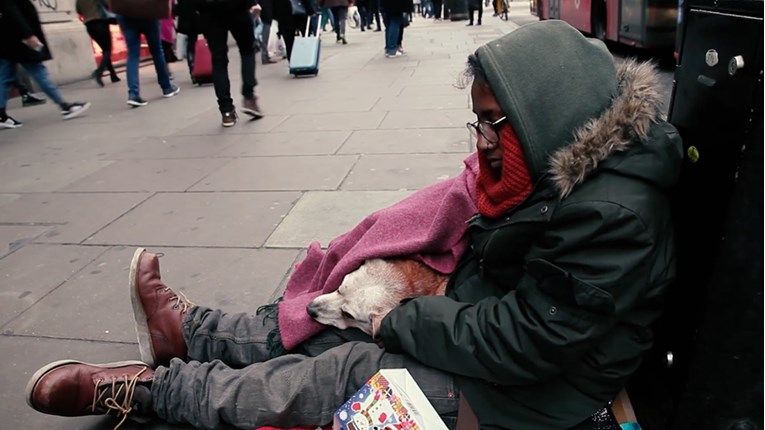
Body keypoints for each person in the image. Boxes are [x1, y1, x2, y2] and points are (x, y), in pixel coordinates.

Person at [25, 21, 683, 429]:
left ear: (544, 111)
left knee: (353, 368)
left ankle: (154, 394)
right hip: (497, 325)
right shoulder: (554, 164)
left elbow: (526, 343)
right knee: (328, 312)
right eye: (476, 121)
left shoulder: (612, 211)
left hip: (542, 391)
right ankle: (192, 333)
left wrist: (393, 320)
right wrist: (403, 290)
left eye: (493, 123)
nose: (480, 141)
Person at [0, 0, 91, 129]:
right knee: (38, 72)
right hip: (19, 41)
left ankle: (1, 114)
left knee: (5, 77)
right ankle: (64, 106)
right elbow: (12, 11)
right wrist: (28, 35)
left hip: (9, 40)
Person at [193, 0, 264, 127]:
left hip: (209, 11)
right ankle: (249, 97)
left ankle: (226, 111)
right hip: (236, 8)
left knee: (218, 60)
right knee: (247, 50)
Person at [115, 9, 180, 107]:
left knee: (133, 54)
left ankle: (133, 93)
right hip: (148, 12)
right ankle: (166, 87)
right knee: (157, 51)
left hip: (126, 13)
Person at [76, 0, 121, 87]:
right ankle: (99, 71)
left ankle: (113, 75)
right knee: (107, 50)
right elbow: (108, 3)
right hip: (100, 22)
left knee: (105, 50)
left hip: (89, 25)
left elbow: (79, 11)